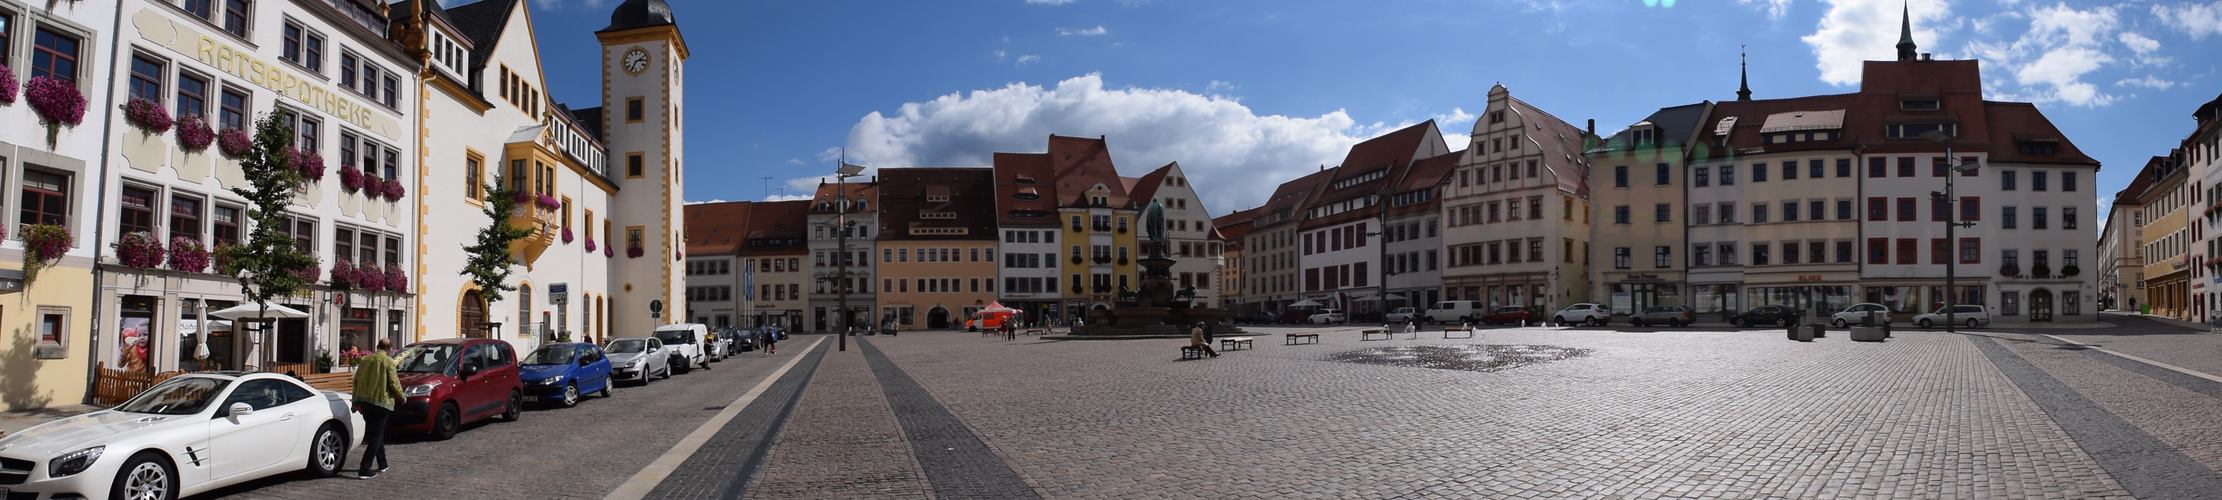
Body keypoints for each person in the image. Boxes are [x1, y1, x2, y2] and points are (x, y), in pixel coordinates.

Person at [351, 339, 404, 479]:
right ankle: (364, 468)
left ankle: (382, 463)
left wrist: (355, 402)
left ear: (377, 347)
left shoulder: (365, 360)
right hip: (382, 402)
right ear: (389, 349)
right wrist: (402, 397)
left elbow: (356, 381)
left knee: (376, 432)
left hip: (365, 402)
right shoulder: (388, 362)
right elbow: (394, 383)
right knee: (376, 435)